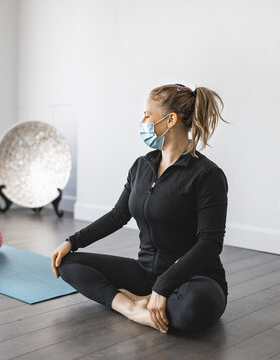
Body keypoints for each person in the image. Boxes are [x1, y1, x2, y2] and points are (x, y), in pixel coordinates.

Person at [51, 84, 228, 334]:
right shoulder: (141, 166)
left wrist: (163, 286)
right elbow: (118, 215)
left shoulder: (207, 175)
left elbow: (210, 242)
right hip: (146, 273)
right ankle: (130, 307)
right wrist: (73, 241)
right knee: (67, 263)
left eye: (147, 115)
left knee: (197, 308)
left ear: (170, 120)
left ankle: (147, 302)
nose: (142, 121)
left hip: (194, 279)